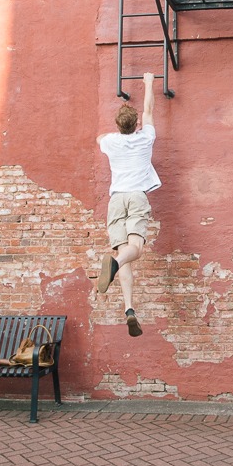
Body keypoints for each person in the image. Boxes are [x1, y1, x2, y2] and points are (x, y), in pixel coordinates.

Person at [92, 72, 160, 337]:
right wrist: (149, 83)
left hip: (116, 200)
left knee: (124, 256)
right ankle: (114, 264)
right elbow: (149, 110)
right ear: (136, 125)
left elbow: (99, 140)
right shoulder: (146, 138)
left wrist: (113, 135)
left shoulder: (110, 142)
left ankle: (129, 309)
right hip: (136, 197)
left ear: (119, 126)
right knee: (135, 250)